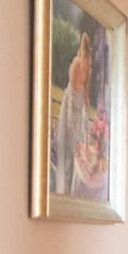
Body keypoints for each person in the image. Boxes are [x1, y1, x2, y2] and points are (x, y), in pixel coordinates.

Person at [54, 28, 93, 196]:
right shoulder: (77, 65)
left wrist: (86, 124)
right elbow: (72, 100)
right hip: (70, 111)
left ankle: (72, 191)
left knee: (78, 156)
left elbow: (85, 97)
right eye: (85, 56)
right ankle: (63, 190)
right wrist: (73, 129)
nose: (86, 61)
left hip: (79, 113)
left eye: (88, 58)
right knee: (68, 154)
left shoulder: (87, 68)